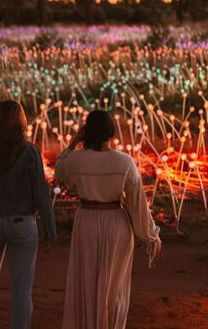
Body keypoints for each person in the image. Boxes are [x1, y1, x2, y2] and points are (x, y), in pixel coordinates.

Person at [55, 109, 162, 329]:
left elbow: (59, 168)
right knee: (115, 288)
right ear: (111, 132)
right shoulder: (124, 162)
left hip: (86, 222)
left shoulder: (77, 160)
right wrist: (149, 234)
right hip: (116, 225)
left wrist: (74, 141)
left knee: (87, 282)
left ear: (87, 133)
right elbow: (137, 201)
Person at [0, 100, 57, 329]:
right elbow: (40, 192)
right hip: (22, 222)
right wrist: (50, 227)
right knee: (21, 289)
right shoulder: (29, 151)